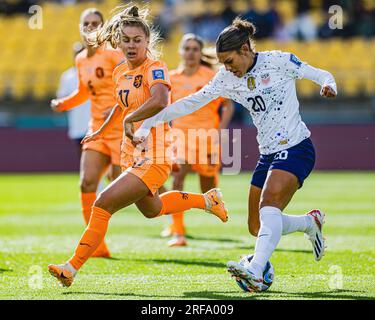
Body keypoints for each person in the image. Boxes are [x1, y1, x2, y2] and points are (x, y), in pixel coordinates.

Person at [133, 17, 337, 292]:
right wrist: (149, 122)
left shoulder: (278, 61)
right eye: (223, 64)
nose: (227, 68)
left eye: (229, 61)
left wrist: (329, 85)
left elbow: (322, 74)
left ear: (244, 49)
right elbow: (190, 103)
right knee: (256, 226)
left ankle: (254, 270)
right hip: (268, 154)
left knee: (269, 207)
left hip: (296, 147)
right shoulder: (227, 77)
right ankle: (308, 222)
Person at [47, 5, 228, 288]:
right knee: (152, 209)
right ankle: (206, 200)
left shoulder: (155, 68)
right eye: (126, 40)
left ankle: (71, 268)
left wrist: (132, 118)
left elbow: (159, 101)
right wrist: (99, 133)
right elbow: (119, 110)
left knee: (103, 203)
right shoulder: (119, 72)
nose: (131, 45)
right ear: (117, 41)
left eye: (137, 40)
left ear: (147, 42)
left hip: (155, 154)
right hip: (131, 153)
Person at [50, 8, 125, 258]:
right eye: (86, 23)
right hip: (97, 130)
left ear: (103, 27)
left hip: (123, 130)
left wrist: (117, 109)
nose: (91, 27)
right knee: (87, 182)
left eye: (96, 23)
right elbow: (84, 91)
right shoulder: (81, 59)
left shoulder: (115, 55)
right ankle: (97, 246)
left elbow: (130, 87)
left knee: (146, 201)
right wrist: (64, 104)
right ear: (80, 27)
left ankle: (198, 204)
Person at [161, 33, 234, 247]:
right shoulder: (172, 78)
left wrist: (220, 129)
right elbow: (164, 108)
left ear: (200, 52)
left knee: (208, 187)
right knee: (177, 177)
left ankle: (213, 203)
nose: (191, 52)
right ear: (180, 51)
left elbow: (228, 104)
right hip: (180, 137)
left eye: (195, 49)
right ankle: (178, 232)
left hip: (207, 137)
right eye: (187, 48)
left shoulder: (211, 76)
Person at [56, 42, 91, 156]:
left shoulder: (94, 72)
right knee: (82, 157)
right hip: (77, 122)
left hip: (95, 122)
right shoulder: (67, 76)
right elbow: (62, 97)